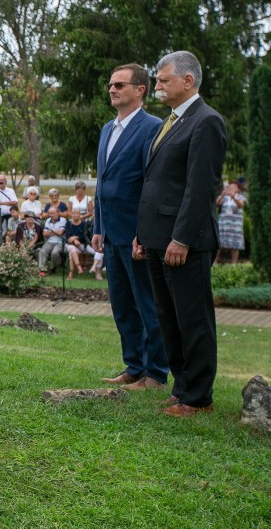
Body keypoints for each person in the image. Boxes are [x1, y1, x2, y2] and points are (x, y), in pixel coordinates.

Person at [133, 51, 226, 417]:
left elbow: (201, 188)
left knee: (192, 318)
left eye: (163, 79)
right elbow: (157, 182)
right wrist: (143, 233)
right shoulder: (169, 122)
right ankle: (182, 387)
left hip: (184, 241)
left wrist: (182, 238)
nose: (156, 84)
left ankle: (198, 397)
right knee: (168, 317)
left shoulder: (207, 122)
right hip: (157, 238)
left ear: (188, 81)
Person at [94, 63, 167, 391]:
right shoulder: (107, 130)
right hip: (110, 234)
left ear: (140, 90)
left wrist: (144, 232)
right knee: (122, 305)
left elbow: (151, 186)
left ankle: (155, 373)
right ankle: (134, 366)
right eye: (111, 84)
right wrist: (97, 226)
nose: (112, 89)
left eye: (120, 85)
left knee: (147, 305)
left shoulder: (152, 128)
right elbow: (102, 182)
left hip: (137, 236)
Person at [215, 181, 246, 264]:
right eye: (230, 186)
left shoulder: (240, 196)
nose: (231, 188)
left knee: (235, 244)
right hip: (224, 225)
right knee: (219, 243)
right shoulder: (225, 197)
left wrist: (234, 198)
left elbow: (241, 205)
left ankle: (233, 264)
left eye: (233, 187)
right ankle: (215, 261)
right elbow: (217, 203)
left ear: (237, 189)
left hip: (235, 226)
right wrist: (222, 195)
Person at [38, 207, 67, 276]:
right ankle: (42, 270)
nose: (51, 215)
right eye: (50, 213)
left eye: (53, 213)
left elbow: (60, 233)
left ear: (58, 213)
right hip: (50, 241)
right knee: (42, 251)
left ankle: (52, 267)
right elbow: (44, 234)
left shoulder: (63, 220)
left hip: (60, 241)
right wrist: (55, 232)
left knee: (55, 253)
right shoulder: (48, 220)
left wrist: (51, 231)